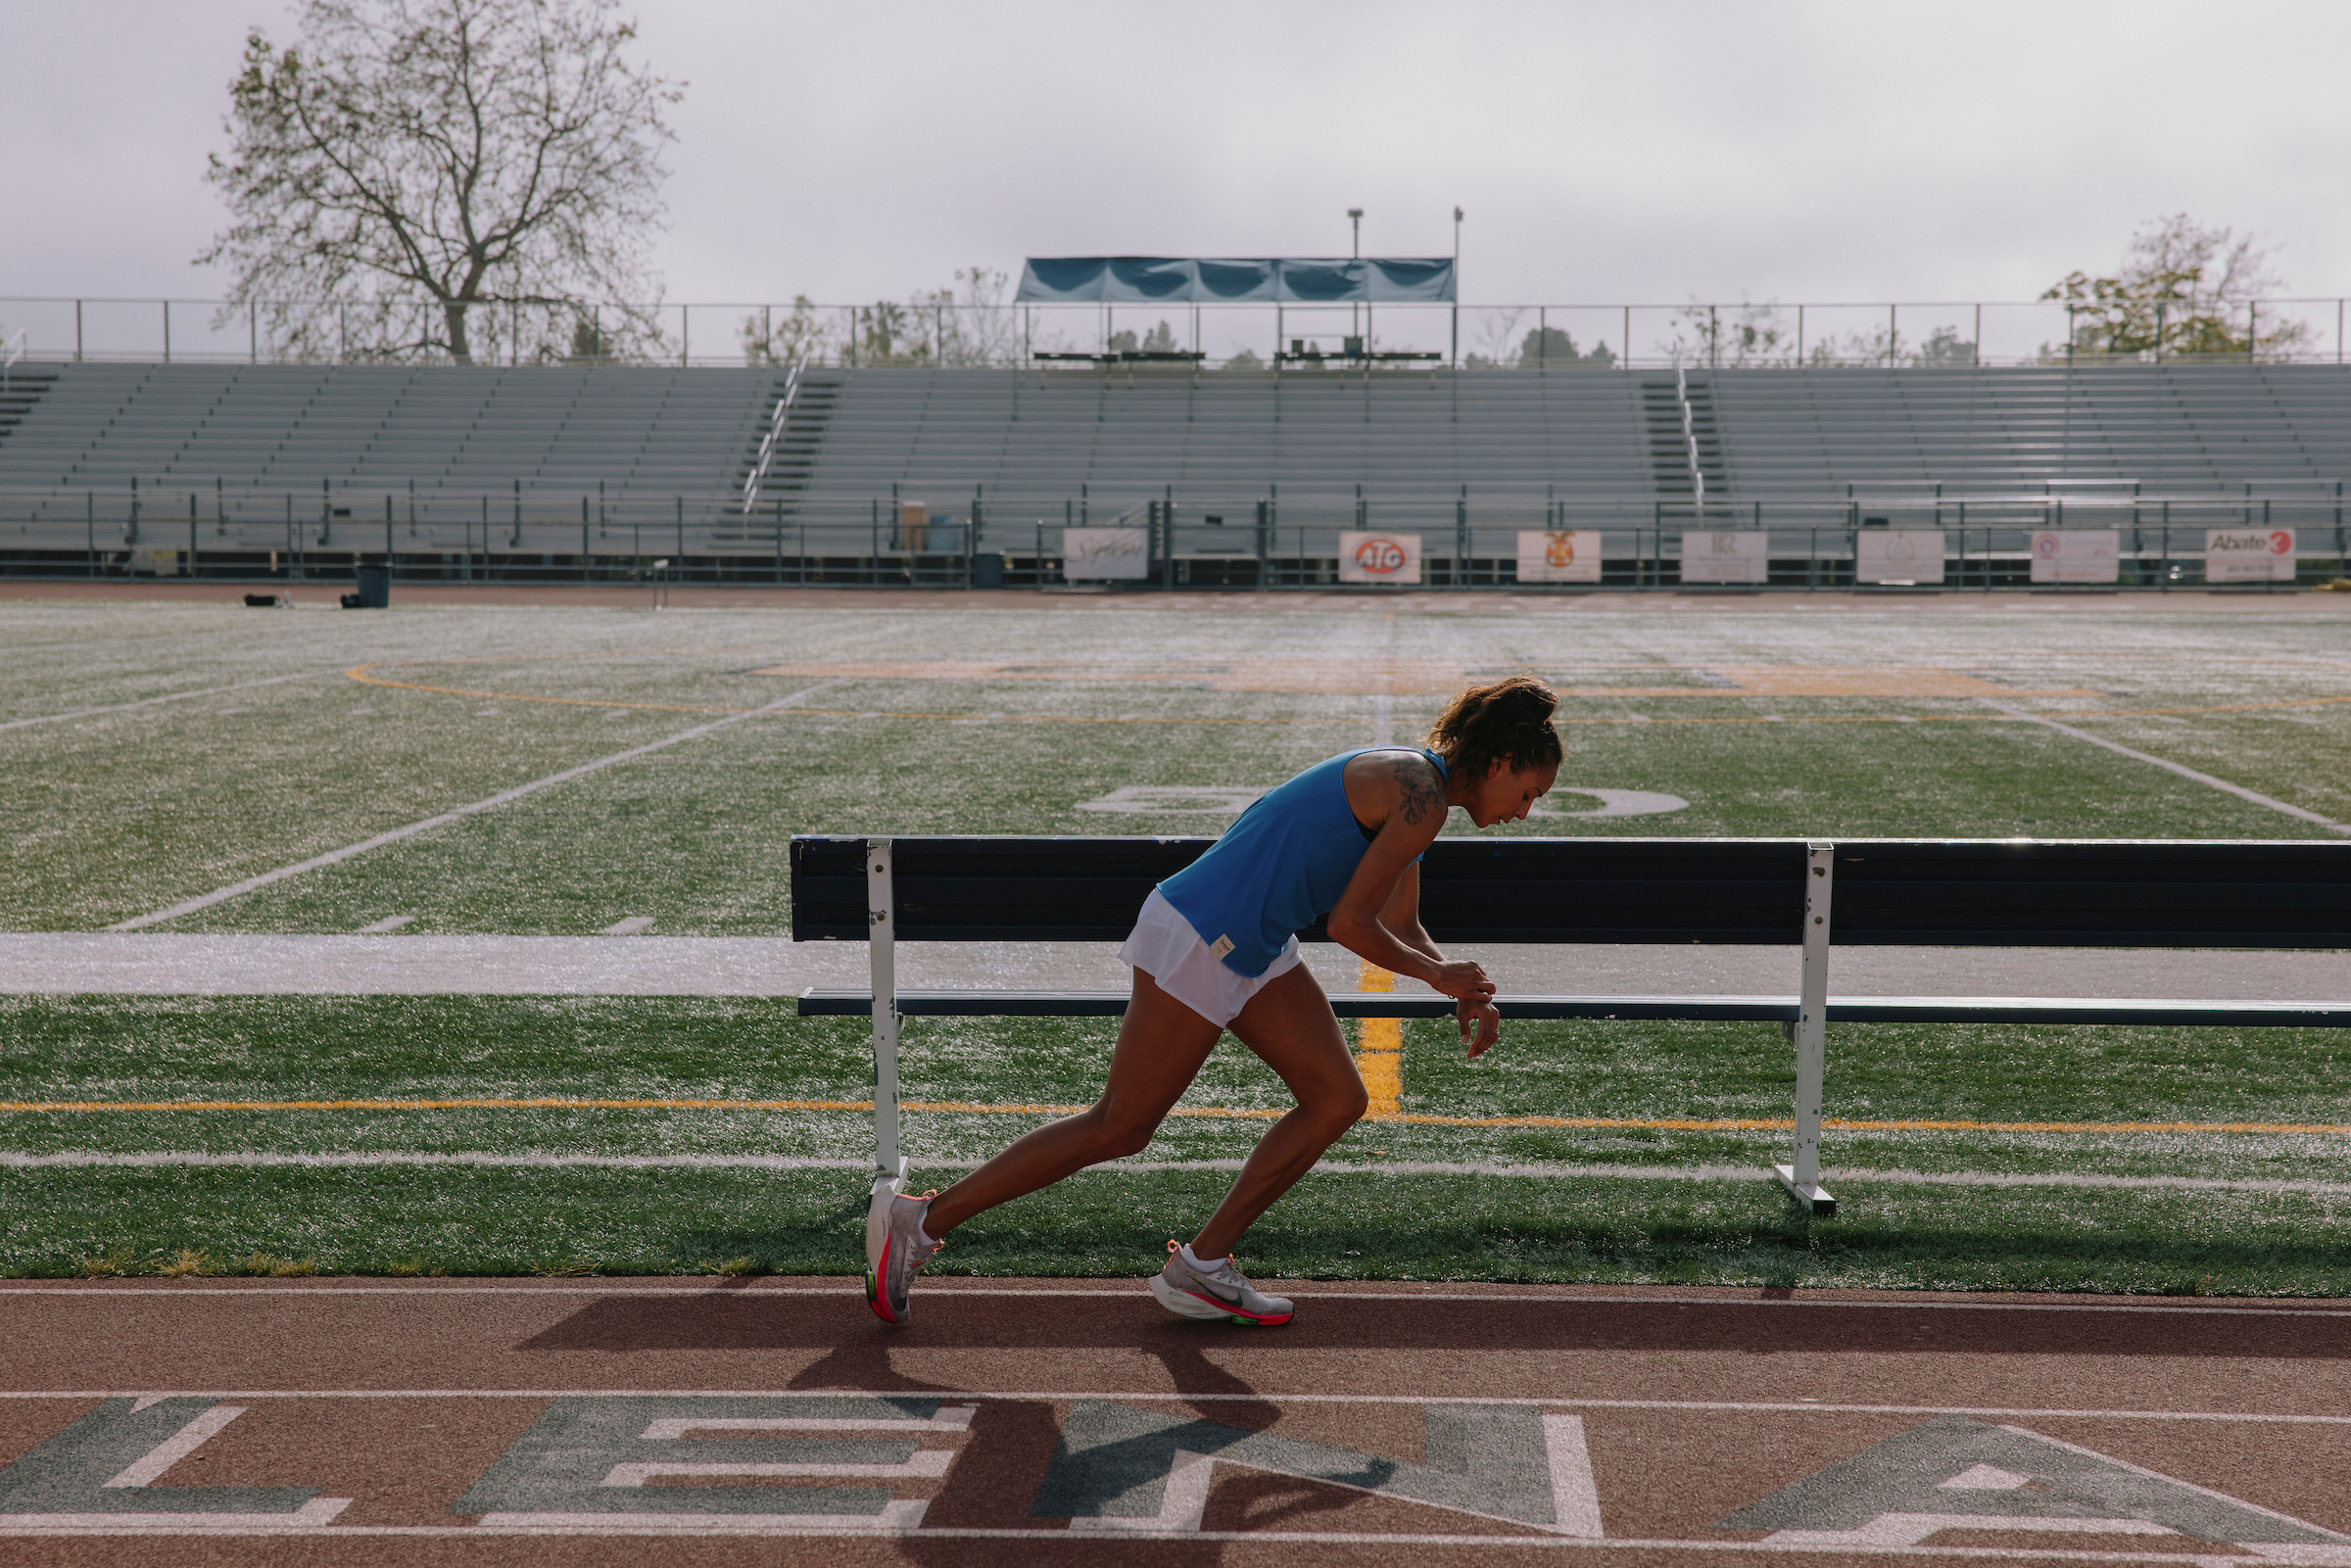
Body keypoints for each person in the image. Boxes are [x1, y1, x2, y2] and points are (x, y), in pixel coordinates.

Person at [867, 675, 1564, 1326]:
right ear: (1500, 763)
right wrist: (1440, 978)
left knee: (1335, 1099)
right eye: (1529, 792)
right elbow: (1350, 925)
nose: (1524, 811)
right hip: (1204, 934)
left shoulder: (1423, 790)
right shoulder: (1421, 793)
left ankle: (1200, 1266)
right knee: (1120, 1126)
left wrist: (1462, 984)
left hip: (1252, 941)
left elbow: (1401, 922)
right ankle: (920, 1222)